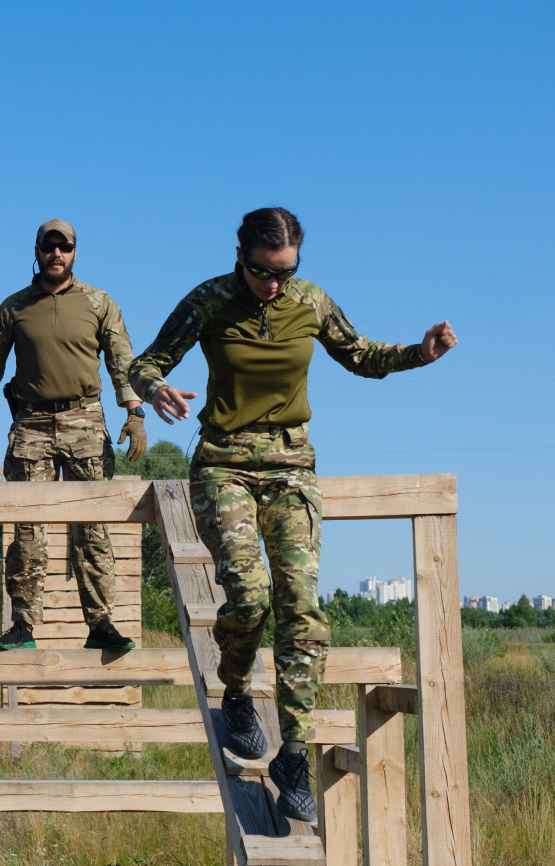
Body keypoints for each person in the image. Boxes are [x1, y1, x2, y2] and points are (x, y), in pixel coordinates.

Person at [128, 207, 457, 821]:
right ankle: (235, 694)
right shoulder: (209, 300)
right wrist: (155, 390)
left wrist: (419, 353)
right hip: (223, 464)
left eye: (285, 272)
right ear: (240, 255)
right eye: (262, 271)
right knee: (249, 595)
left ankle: (294, 755)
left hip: (290, 468)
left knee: (301, 606)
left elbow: (359, 354)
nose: (273, 284)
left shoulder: (310, 301)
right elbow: (142, 363)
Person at [0, 219, 146, 652]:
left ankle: (101, 625)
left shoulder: (98, 302)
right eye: (49, 248)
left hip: (85, 421)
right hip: (30, 425)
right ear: (36, 251)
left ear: (74, 253)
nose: (56, 255)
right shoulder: (13, 308)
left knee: (92, 528)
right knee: (28, 530)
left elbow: (122, 359)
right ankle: (24, 625)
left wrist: (135, 412)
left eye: (64, 248)